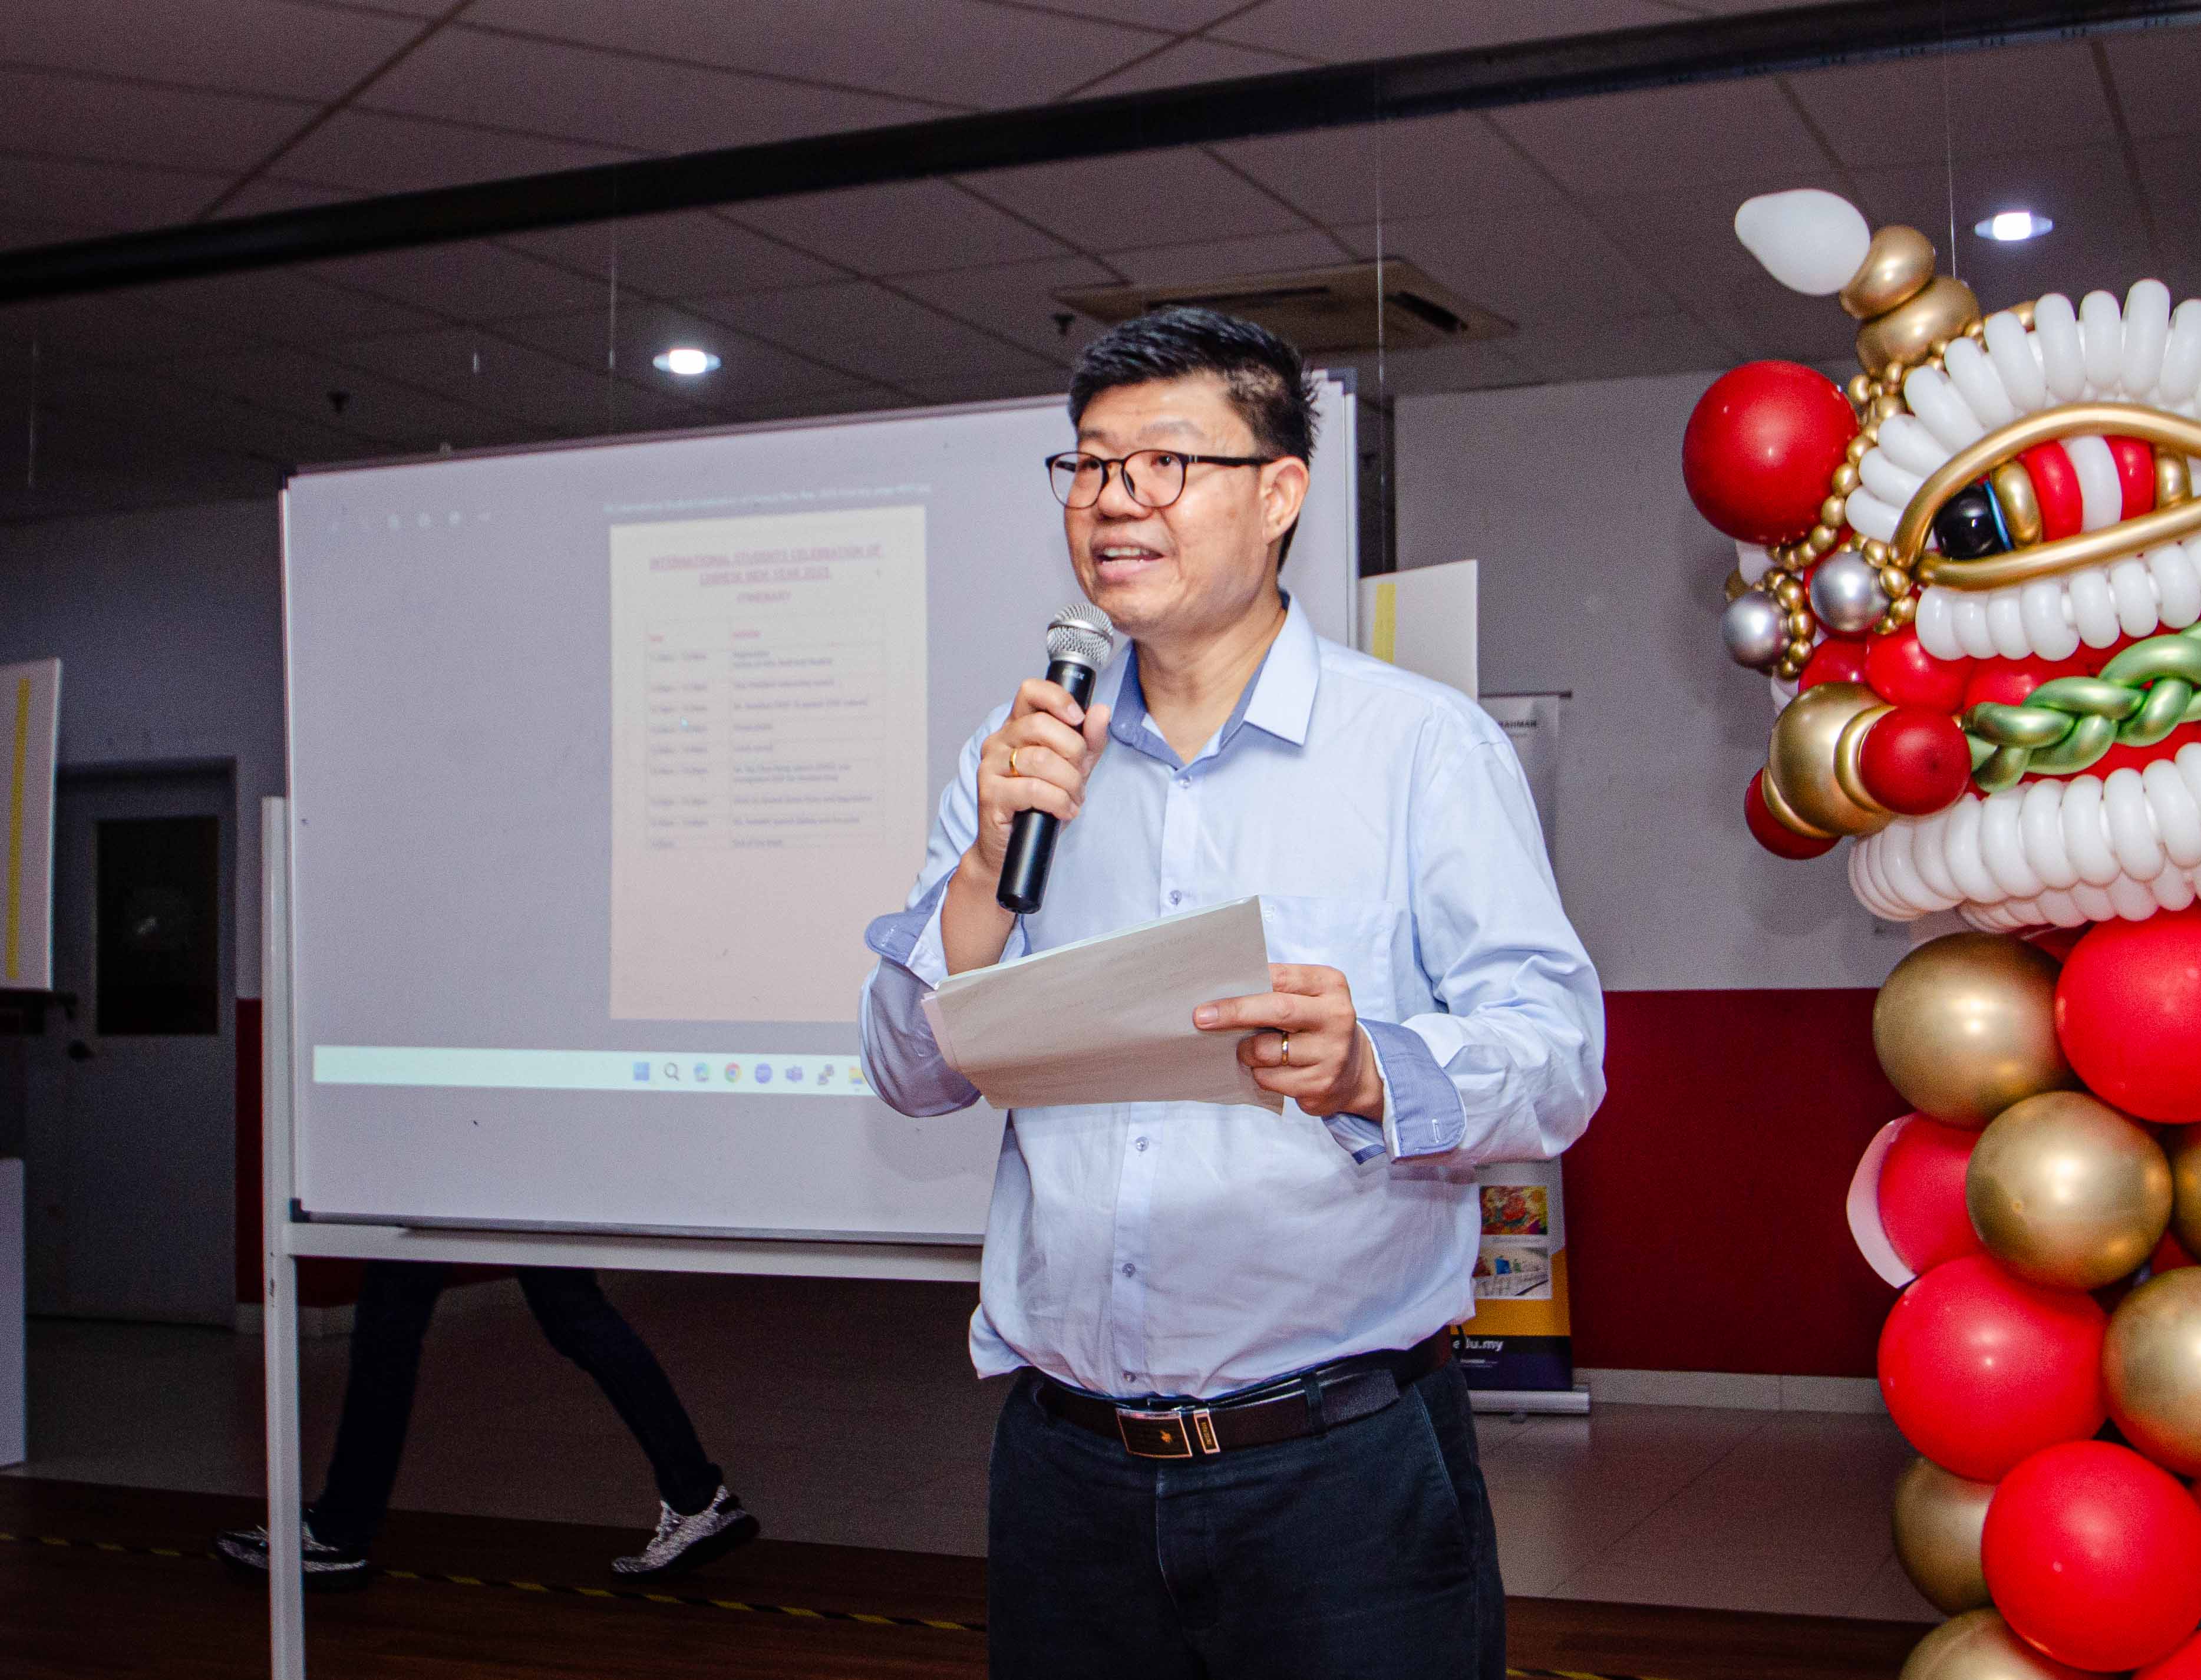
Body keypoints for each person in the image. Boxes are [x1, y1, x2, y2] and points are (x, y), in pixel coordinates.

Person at [860, 306, 1604, 1679]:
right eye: (1088, 465)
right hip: (1065, 1472)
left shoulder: (1419, 748)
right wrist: (976, 875)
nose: (1111, 501)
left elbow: (1556, 1058)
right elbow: (909, 1075)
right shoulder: (1017, 756)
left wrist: (1368, 1068)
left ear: (1278, 493)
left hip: (1341, 1475)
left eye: (1162, 463)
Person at [215, 1261, 754, 1590]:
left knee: (390, 1319)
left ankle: (339, 1531)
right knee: (573, 1313)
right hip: (512, 1145)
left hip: (458, 1148)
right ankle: (695, 1494)